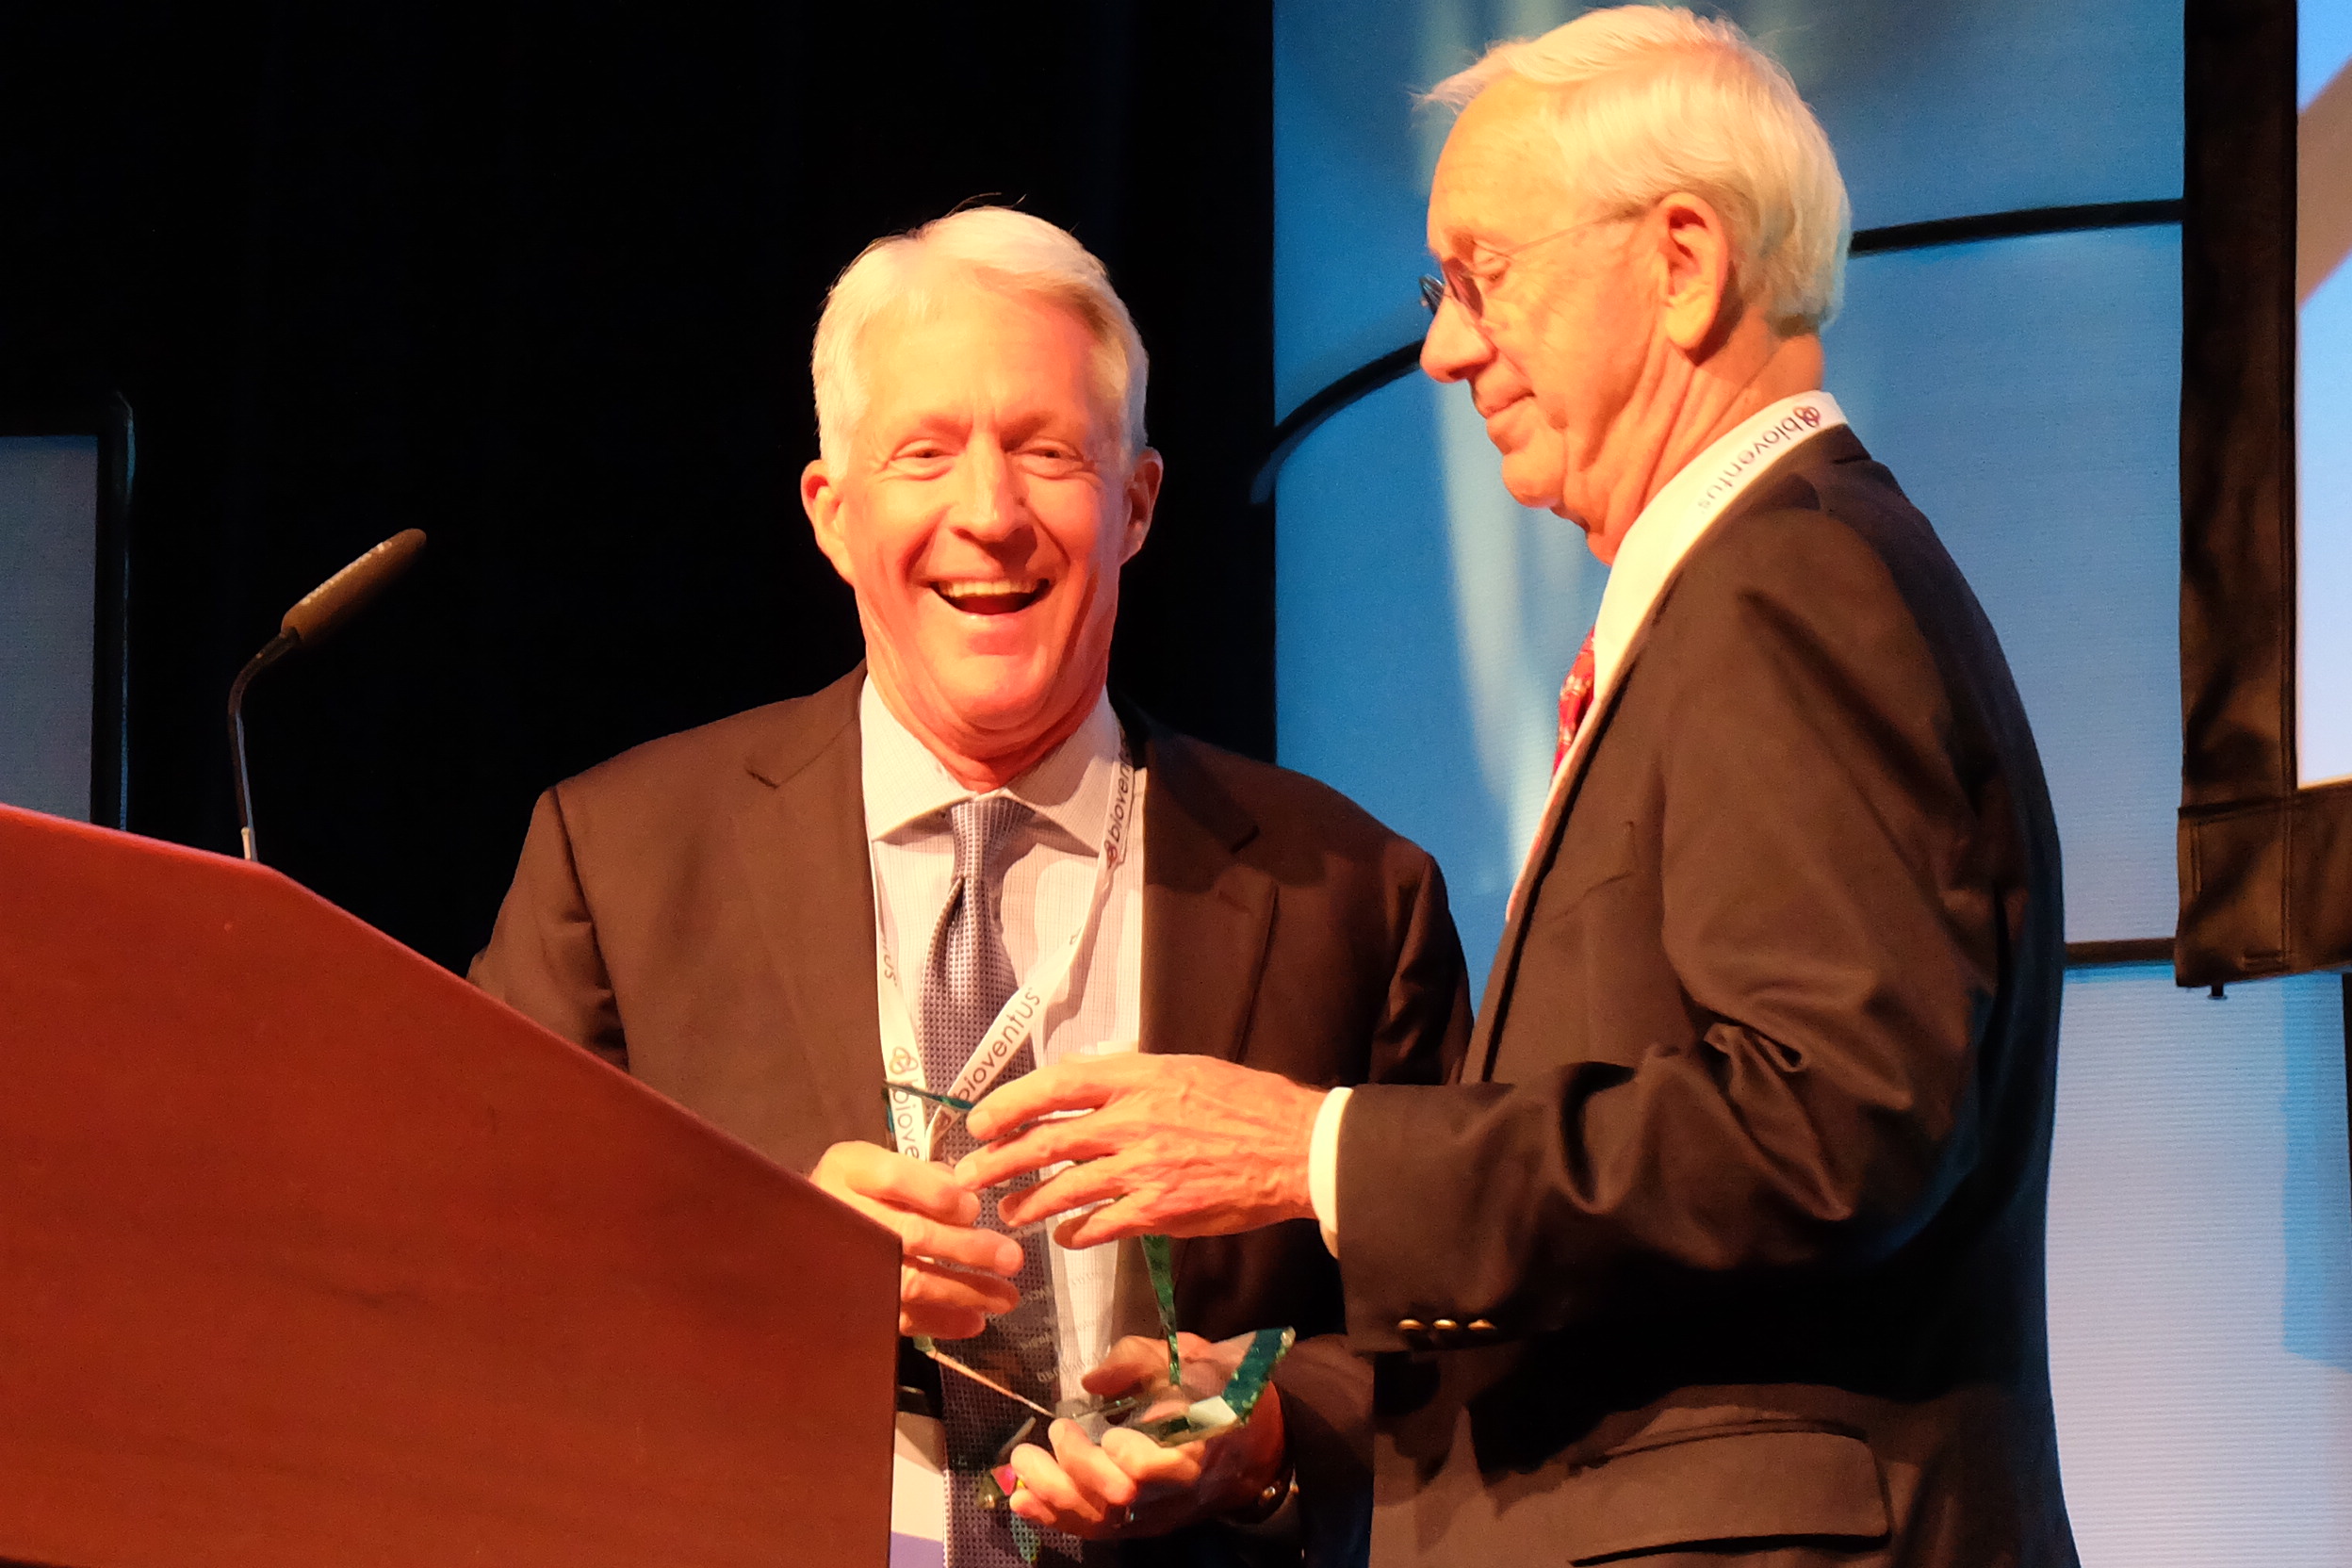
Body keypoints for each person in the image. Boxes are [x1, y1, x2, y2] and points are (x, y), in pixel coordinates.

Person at [956, 11, 2080, 1567]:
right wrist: (1275, 1419)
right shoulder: (1754, 593)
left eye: (1482, 277)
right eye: (1442, 296)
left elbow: (1833, 1126)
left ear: (1681, 264)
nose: (1444, 350)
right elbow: (1654, 1276)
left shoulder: (1790, 588)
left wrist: (1315, 1151)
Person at [470, 205, 1470, 1568]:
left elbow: (1460, 1335)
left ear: (1136, 505)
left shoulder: (1349, 892)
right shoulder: (624, 857)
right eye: (925, 453)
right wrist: (765, 1265)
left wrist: (1271, 1435)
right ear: (833, 514)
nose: (989, 516)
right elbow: (474, 1265)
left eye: (1048, 451)